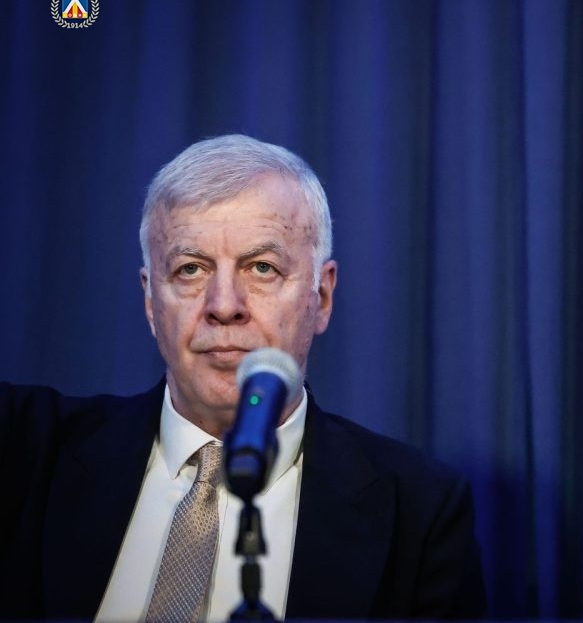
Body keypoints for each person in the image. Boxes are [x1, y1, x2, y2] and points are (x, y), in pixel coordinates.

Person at [0, 135, 486, 620]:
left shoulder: (420, 512)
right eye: (190, 269)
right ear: (151, 302)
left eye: (262, 268)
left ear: (321, 297)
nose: (224, 306)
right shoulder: (27, 449)